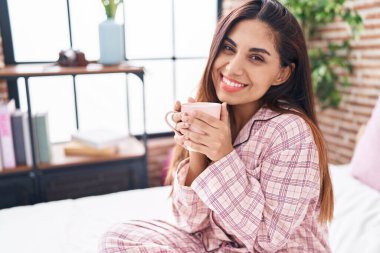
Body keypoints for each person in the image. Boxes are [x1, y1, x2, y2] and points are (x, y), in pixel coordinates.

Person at [98, 0, 334, 252]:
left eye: (256, 57)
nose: (232, 68)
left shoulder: (290, 131)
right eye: (228, 48)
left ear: (282, 73)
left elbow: (267, 240)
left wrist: (223, 156)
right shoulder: (216, 114)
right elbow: (190, 223)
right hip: (217, 247)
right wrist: (197, 151)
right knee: (118, 238)